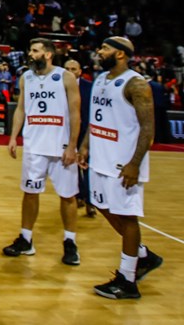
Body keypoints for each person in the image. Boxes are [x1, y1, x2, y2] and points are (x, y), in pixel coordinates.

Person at [79, 36, 163, 300]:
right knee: (102, 206)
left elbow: (148, 128)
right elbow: (95, 119)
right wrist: (85, 146)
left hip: (123, 163)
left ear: (121, 54)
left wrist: (134, 165)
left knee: (127, 217)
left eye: (105, 48)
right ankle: (142, 255)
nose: (99, 52)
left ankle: (128, 281)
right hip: (100, 158)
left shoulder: (136, 84)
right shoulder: (101, 80)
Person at [2, 38, 82, 266]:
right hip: (34, 145)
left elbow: (76, 114)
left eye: (35, 50)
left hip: (61, 148)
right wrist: (13, 137)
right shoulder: (26, 77)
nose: (30, 53)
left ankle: (70, 242)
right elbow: (21, 109)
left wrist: (73, 146)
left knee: (68, 196)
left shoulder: (65, 77)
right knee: (29, 192)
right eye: (30, 49)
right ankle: (26, 239)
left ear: (48, 54)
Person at [64, 58, 96, 217]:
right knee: (72, 166)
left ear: (80, 72)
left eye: (73, 69)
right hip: (67, 132)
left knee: (87, 166)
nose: (70, 72)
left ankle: (91, 202)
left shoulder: (90, 87)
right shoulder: (58, 86)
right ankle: (80, 195)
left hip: (86, 131)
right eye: (67, 68)